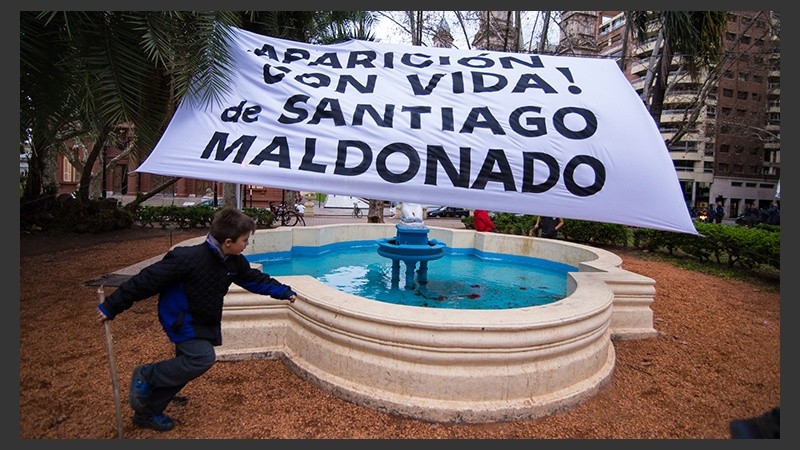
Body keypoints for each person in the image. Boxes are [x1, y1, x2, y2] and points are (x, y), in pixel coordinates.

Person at [96, 207, 297, 432]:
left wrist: (283, 291)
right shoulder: (187, 258)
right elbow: (145, 281)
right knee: (201, 358)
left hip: (204, 321)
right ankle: (147, 375)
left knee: (184, 366)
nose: (247, 244)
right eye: (244, 240)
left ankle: (148, 411)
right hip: (181, 320)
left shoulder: (233, 261)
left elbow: (254, 279)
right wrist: (112, 306)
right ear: (228, 242)